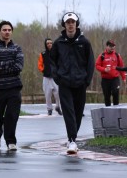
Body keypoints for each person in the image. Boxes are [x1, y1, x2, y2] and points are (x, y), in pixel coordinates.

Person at [50, 12, 94, 154]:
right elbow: (52, 62)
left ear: (76, 24)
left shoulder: (84, 42)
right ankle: (72, 140)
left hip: (80, 83)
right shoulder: (58, 43)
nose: (70, 24)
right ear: (64, 25)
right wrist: (57, 77)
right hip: (65, 83)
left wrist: (87, 80)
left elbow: (90, 62)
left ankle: (72, 138)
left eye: (73, 22)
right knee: (68, 112)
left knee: (78, 112)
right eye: (68, 22)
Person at [0, 20, 24, 151]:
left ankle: (11, 141)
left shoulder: (17, 48)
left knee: (12, 116)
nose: (7, 32)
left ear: (12, 32)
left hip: (14, 87)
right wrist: (10, 64)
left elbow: (19, 66)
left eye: (9, 30)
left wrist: (3, 65)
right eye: (4, 30)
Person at [95, 39, 125, 106]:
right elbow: (97, 66)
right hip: (105, 80)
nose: (112, 47)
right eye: (110, 46)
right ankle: (108, 111)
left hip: (115, 79)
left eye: (113, 46)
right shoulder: (102, 56)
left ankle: (116, 110)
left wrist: (124, 78)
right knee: (107, 96)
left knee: (115, 92)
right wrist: (104, 69)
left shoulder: (117, 55)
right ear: (107, 46)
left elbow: (121, 67)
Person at [37, 38, 62, 116]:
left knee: (58, 94)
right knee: (47, 95)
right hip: (47, 77)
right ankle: (49, 109)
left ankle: (58, 107)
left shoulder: (57, 53)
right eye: (48, 43)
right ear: (45, 44)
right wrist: (43, 70)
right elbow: (39, 64)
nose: (49, 44)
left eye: (51, 43)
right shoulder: (43, 54)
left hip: (56, 77)